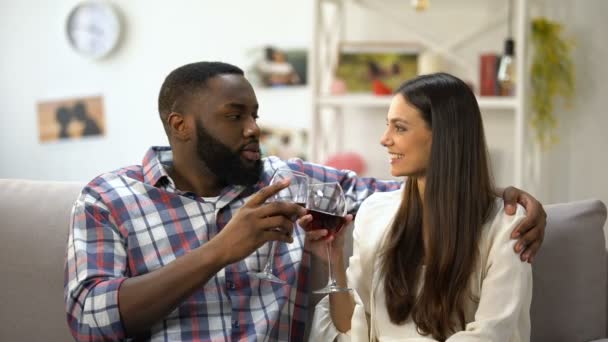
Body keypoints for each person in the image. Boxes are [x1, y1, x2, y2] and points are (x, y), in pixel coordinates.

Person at [64, 62, 545, 341]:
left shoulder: (289, 180)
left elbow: (413, 195)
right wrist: (219, 251)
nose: (254, 128)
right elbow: (90, 320)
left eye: (255, 114)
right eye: (235, 116)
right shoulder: (109, 199)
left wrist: (505, 199)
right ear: (180, 124)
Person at [310, 73, 534, 341]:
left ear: (444, 136)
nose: (384, 139)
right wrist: (334, 261)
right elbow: (353, 329)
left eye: (400, 128)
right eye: (387, 125)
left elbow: (492, 333)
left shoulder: (506, 224)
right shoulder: (375, 213)